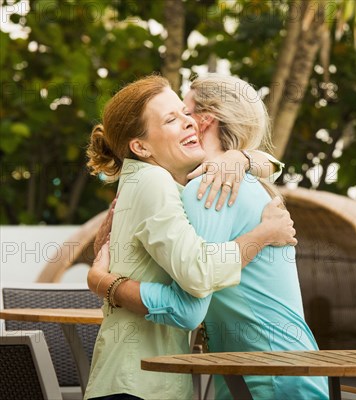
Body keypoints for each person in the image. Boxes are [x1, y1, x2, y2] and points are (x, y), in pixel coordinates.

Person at [88, 74, 329, 400]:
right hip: (265, 372)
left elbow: (187, 305)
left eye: (186, 112)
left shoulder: (211, 185)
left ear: (206, 120)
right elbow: (194, 279)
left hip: (266, 377)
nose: (188, 122)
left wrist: (106, 283)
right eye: (175, 117)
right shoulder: (217, 180)